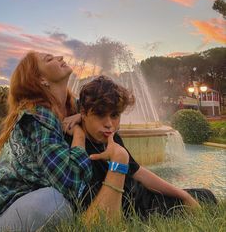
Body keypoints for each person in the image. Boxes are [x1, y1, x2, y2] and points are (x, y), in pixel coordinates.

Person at [0, 52, 129, 231]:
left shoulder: (71, 106)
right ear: (41, 79)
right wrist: (78, 135)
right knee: (54, 203)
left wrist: (82, 116)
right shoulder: (36, 117)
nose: (60, 58)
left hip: (34, 201)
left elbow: (95, 110)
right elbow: (71, 182)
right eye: (49, 60)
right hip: (9, 211)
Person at [64, 75, 217, 220]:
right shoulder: (74, 143)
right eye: (100, 114)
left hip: (144, 199)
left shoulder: (111, 136)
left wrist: (184, 196)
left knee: (205, 196)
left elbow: (138, 172)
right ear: (83, 112)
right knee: (202, 199)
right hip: (134, 210)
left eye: (115, 115)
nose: (109, 124)